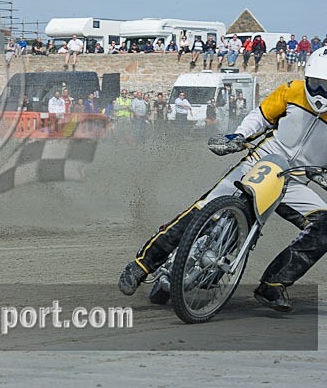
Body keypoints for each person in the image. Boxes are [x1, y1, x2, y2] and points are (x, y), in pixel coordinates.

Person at [119, 48, 327, 312]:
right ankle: (142, 264)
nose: (320, 93)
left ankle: (274, 285)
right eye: (317, 84)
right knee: (202, 208)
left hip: (294, 181)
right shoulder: (292, 90)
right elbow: (260, 117)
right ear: (307, 77)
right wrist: (238, 136)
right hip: (260, 162)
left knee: (325, 224)